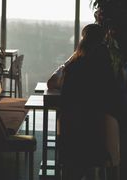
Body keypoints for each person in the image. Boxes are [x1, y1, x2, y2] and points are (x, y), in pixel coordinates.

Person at [51, 23, 121, 179]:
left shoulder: (73, 67)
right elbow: (114, 100)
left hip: (74, 134)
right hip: (99, 135)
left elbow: (64, 99)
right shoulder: (106, 67)